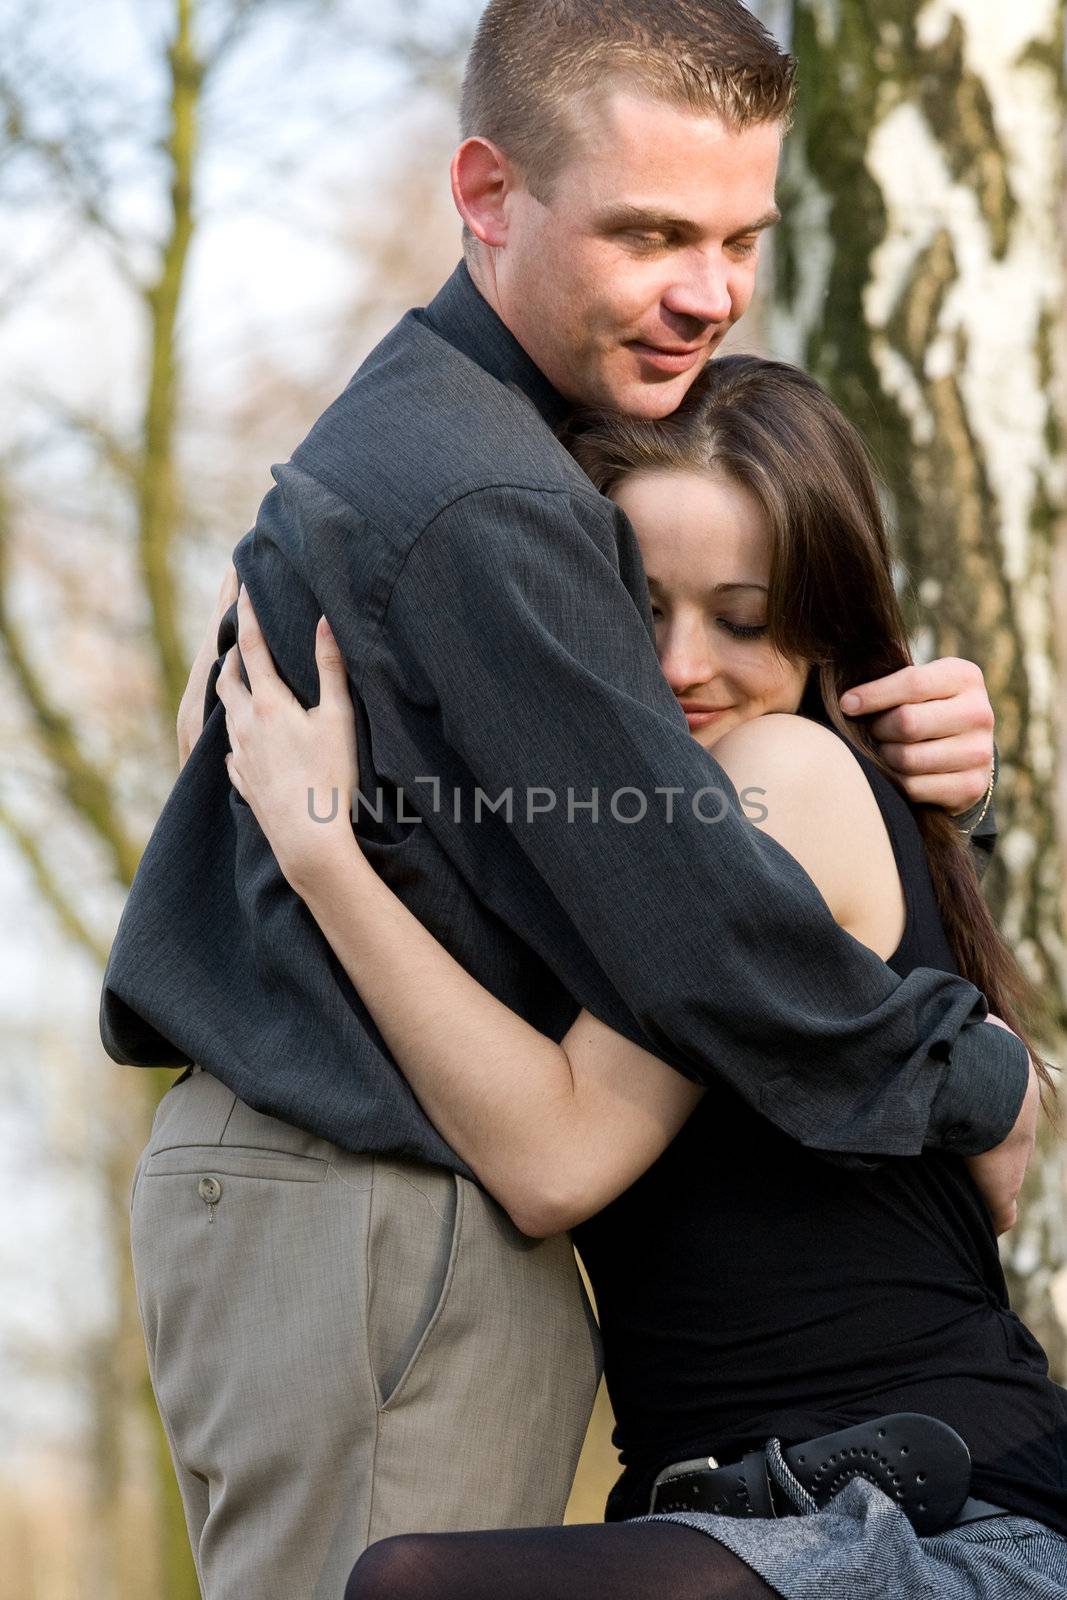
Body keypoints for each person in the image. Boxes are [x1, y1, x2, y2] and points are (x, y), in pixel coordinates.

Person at [101, 1, 1035, 1592]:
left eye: (738, 235)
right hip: (372, 1206)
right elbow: (702, 939)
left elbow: (700, 864)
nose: (707, 294)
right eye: (653, 231)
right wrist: (971, 1074)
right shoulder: (491, 500)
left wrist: (941, 805)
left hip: (421, 1238)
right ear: (484, 196)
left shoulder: (468, 448)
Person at [217, 354, 1067, 1600]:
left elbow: (555, 1158)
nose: (677, 666)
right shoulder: (612, 841)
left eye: (739, 618)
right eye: (633, 608)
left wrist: (322, 856)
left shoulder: (783, 769)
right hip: (719, 1515)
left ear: (821, 633)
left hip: (934, 1517)